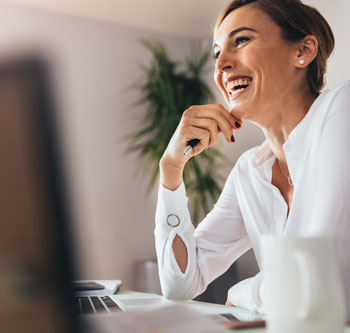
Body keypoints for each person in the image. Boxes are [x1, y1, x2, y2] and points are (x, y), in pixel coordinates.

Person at [154, 0, 350, 314]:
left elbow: (325, 282)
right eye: (217, 53)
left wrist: (240, 292)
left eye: (241, 40)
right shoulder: (250, 171)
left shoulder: (343, 107)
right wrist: (171, 168)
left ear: (303, 51)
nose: (221, 66)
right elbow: (180, 284)